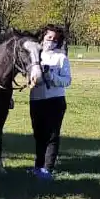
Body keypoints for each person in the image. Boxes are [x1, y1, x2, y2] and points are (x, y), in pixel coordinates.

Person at [29, 24, 72, 180]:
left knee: (52, 136)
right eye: (49, 37)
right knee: (38, 135)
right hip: (36, 100)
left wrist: (52, 77)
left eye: (55, 39)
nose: (51, 41)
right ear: (42, 37)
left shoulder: (61, 58)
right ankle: (38, 166)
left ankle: (47, 169)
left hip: (55, 101)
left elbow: (67, 81)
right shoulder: (34, 56)